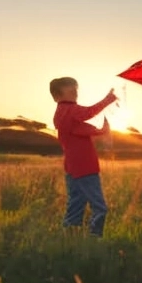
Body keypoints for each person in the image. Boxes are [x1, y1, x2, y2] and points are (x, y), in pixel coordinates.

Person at [49, 77, 117, 237]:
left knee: (76, 205)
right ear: (58, 95)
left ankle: (69, 238)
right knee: (100, 208)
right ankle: (94, 238)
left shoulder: (64, 114)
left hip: (73, 168)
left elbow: (83, 130)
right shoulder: (68, 109)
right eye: (71, 91)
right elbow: (88, 113)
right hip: (85, 168)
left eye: (76, 90)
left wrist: (102, 130)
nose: (75, 94)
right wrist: (108, 100)